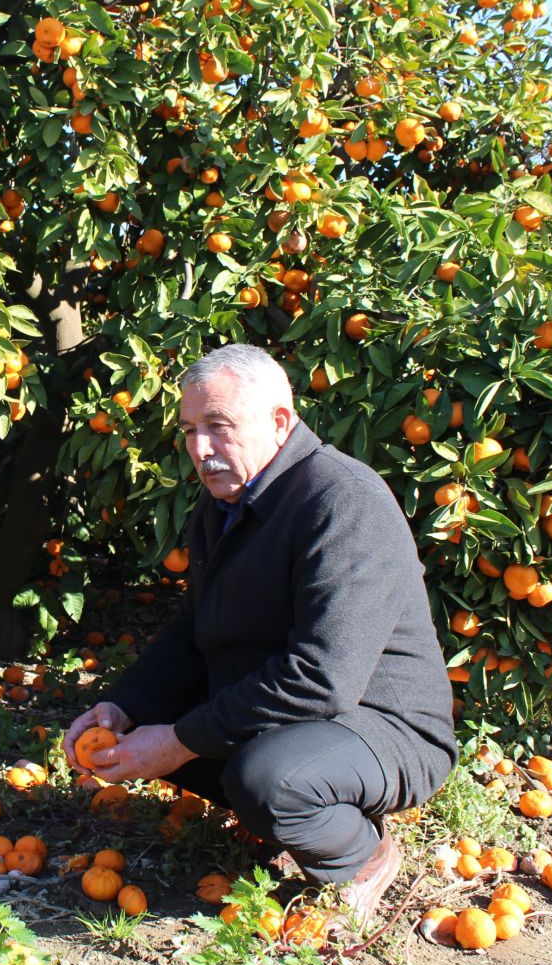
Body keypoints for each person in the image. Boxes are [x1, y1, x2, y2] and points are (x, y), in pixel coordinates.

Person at [62, 343, 457, 923]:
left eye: (219, 426)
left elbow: (323, 678)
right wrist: (123, 708)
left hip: (384, 724)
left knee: (265, 779)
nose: (200, 449)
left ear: (279, 421)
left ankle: (363, 856)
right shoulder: (222, 508)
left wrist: (178, 740)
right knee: (165, 734)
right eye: (191, 429)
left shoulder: (342, 500)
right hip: (301, 716)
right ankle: (287, 806)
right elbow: (194, 628)